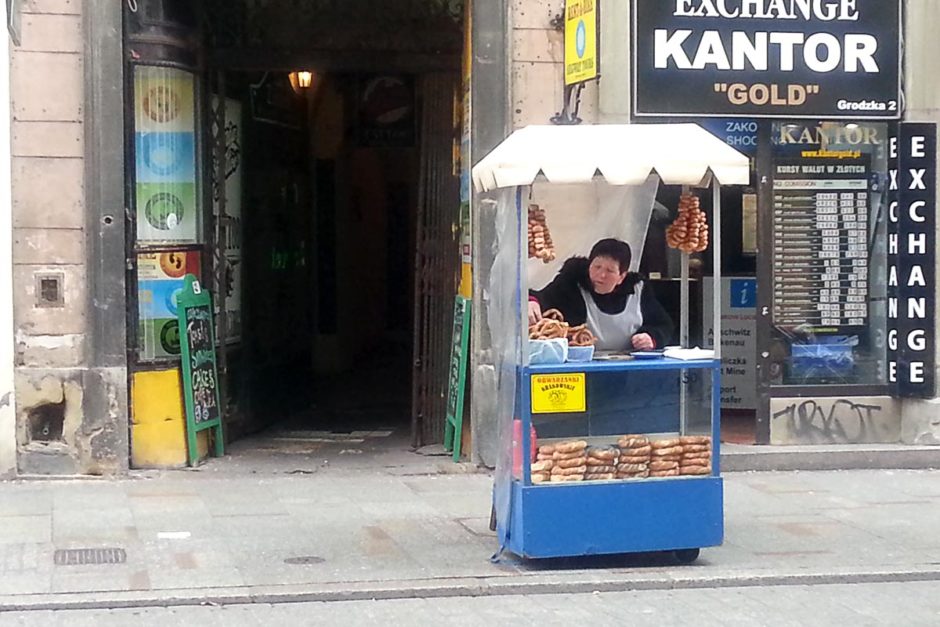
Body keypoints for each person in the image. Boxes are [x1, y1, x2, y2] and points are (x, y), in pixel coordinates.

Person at [528, 238, 673, 352]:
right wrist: (532, 301)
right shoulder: (571, 283)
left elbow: (663, 325)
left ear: (622, 276)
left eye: (610, 271)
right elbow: (542, 298)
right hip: (579, 369)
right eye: (597, 267)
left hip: (627, 369)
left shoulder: (638, 290)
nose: (601, 275)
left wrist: (652, 338)